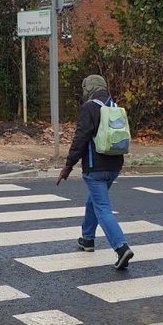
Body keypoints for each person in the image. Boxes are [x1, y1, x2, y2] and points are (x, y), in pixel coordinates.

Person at [56, 74, 134, 270]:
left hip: (95, 169)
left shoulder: (89, 107)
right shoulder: (114, 106)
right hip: (114, 167)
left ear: (88, 89)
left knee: (102, 208)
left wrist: (68, 165)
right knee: (94, 200)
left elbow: (80, 139)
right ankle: (87, 239)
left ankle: (121, 247)